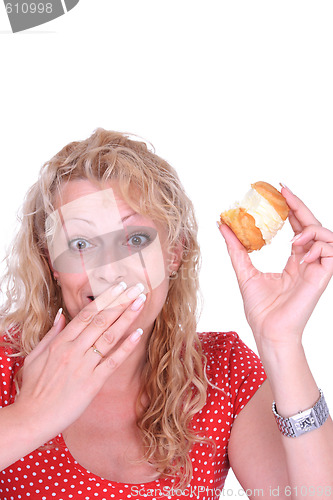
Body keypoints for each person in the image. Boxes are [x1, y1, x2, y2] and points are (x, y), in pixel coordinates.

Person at [0, 128, 332, 500]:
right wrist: (31, 417)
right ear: (51, 261)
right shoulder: (4, 363)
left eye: (136, 239)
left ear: (174, 253)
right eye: (81, 243)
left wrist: (281, 342)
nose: (110, 271)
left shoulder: (223, 374)